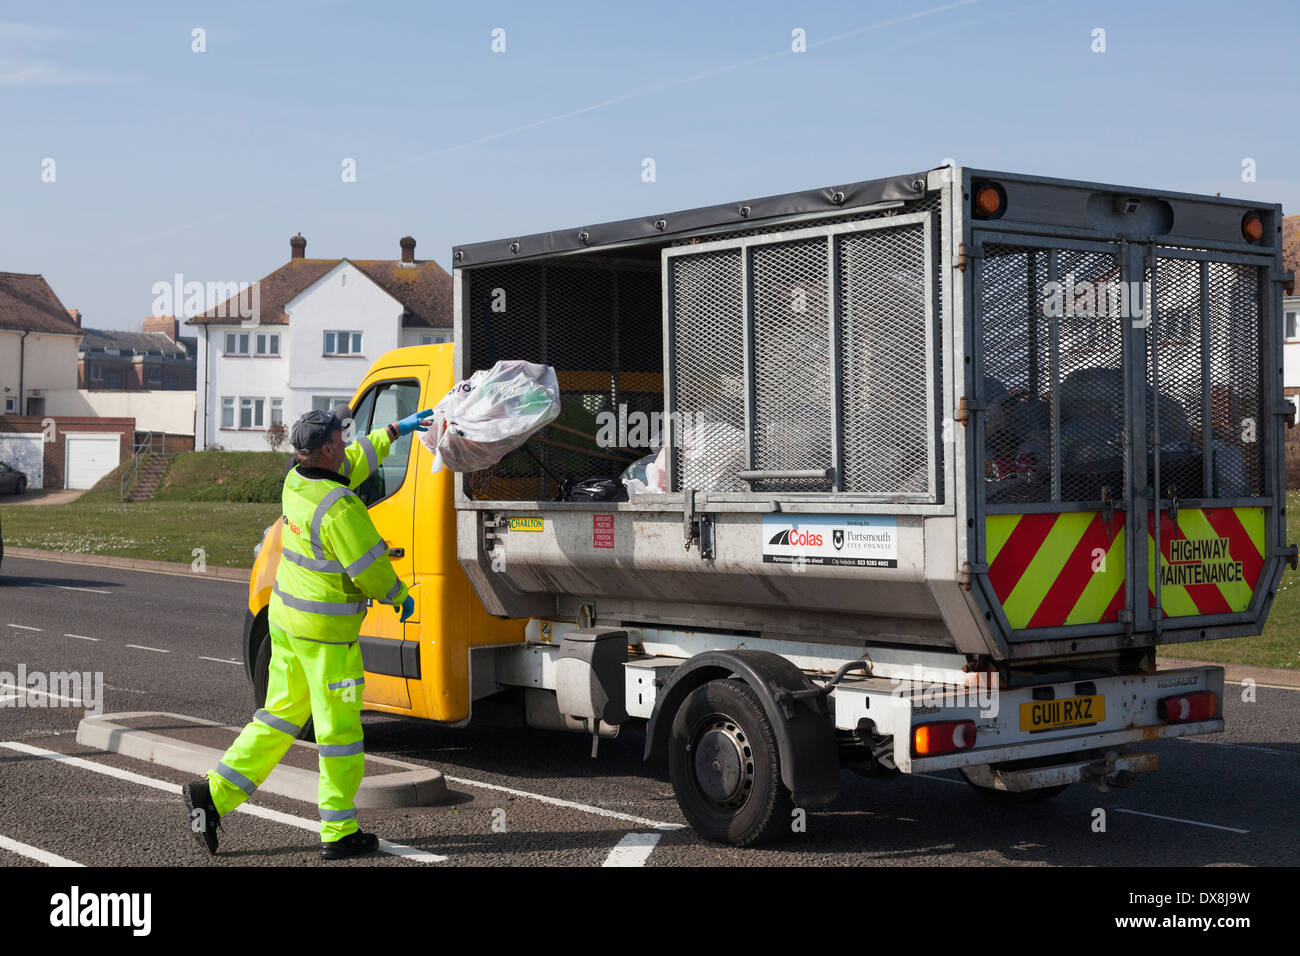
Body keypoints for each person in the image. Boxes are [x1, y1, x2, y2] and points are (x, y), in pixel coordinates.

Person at [183, 402, 433, 860]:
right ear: (323, 451)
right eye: (339, 437)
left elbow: (355, 462)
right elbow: (370, 571)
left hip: (288, 626)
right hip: (327, 640)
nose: (346, 440)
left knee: (275, 721)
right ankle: (339, 831)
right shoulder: (340, 508)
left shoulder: (297, 481)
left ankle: (213, 796)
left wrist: (396, 429)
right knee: (340, 737)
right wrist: (399, 595)